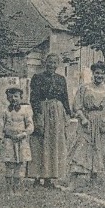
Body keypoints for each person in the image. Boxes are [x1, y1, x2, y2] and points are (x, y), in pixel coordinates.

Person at [70, 61, 105, 188]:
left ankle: (94, 178)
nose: (99, 76)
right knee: (82, 147)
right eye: (97, 73)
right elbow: (76, 106)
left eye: (102, 74)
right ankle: (73, 180)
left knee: (99, 149)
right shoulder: (84, 88)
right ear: (93, 73)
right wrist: (83, 118)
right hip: (87, 121)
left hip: (101, 123)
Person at [28, 54, 71, 188]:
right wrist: (38, 115)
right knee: (40, 143)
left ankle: (49, 179)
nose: (52, 65)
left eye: (54, 63)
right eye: (49, 62)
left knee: (53, 144)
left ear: (57, 65)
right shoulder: (38, 78)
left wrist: (68, 114)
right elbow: (34, 98)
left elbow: (65, 98)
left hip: (57, 113)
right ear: (45, 63)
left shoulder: (61, 79)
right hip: (43, 110)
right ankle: (36, 177)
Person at [0, 87, 34, 193]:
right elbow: (0, 126)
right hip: (9, 141)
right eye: (10, 97)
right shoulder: (5, 111)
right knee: (9, 164)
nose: (13, 99)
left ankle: (17, 188)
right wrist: (0, 138)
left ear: (21, 97)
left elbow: (30, 125)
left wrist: (24, 133)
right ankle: (9, 189)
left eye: (16, 96)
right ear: (7, 98)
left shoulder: (25, 111)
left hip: (21, 141)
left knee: (19, 165)